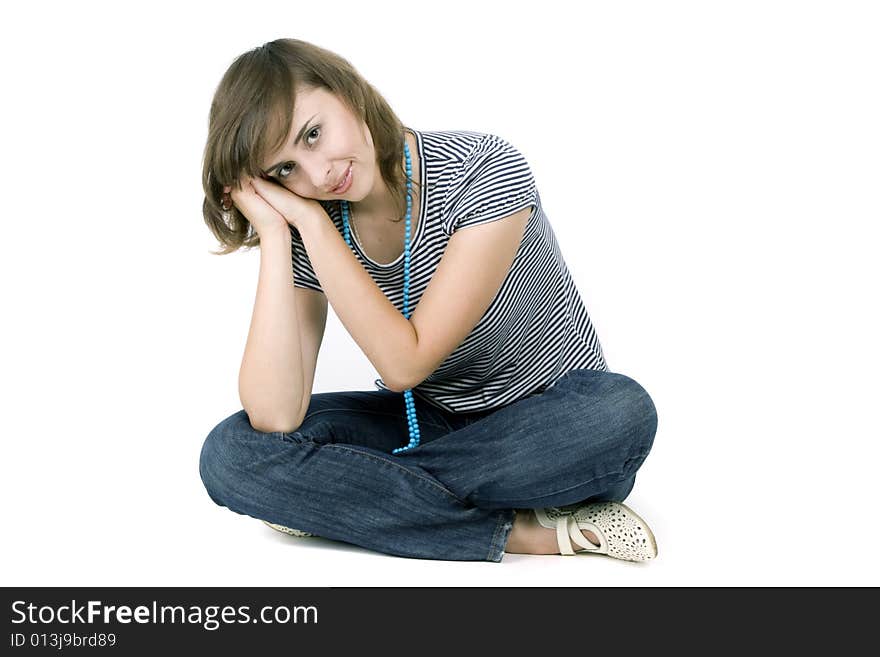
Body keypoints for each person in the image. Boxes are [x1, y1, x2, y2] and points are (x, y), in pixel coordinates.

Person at [198, 38, 659, 563]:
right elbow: (275, 415)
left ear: (347, 90)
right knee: (231, 454)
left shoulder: (484, 170)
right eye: (284, 170)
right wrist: (281, 236)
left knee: (623, 411)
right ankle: (521, 532)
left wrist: (309, 225)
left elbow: (405, 364)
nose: (318, 175)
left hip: (548, 432)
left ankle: (352, 501)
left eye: (313, 134)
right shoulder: (315, 218)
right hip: (433, 422)